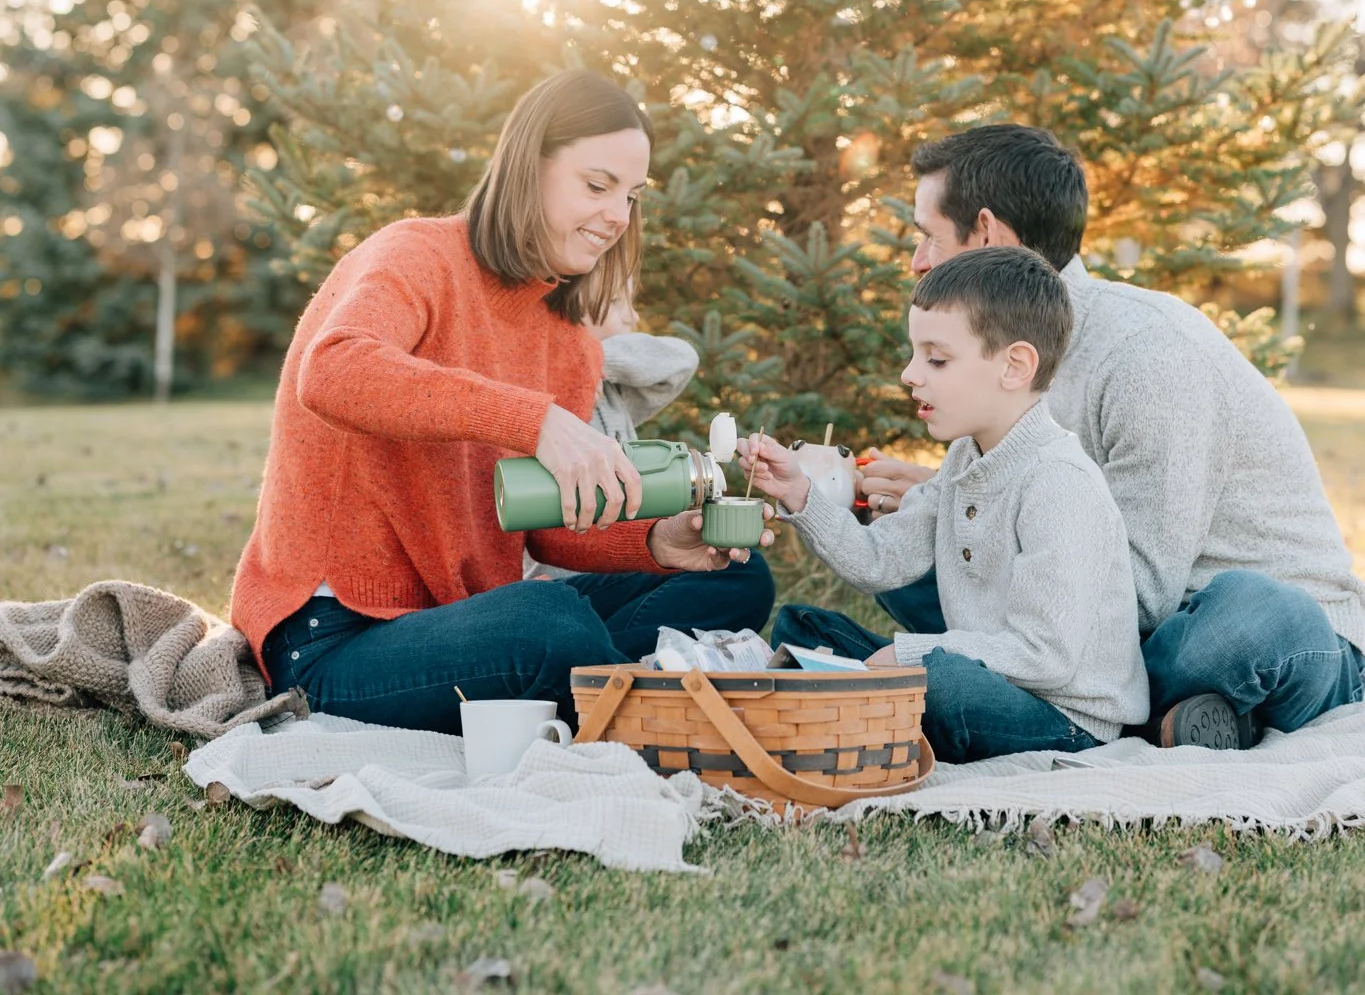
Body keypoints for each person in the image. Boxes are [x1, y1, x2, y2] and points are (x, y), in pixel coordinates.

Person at [229, 70, 773, 729]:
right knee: (548, 620)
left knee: (735, 578)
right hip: (334, 638)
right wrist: (534, 419)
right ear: (526, 167)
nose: (616, 217)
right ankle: (641, 689)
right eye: (597, 186)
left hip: (465, 617)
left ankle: (611, 683)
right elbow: (334, 370)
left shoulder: (569, 340)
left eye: (631, 196)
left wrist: (658, 543)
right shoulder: (416, 255)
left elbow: (545, 524)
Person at [861, 124, 1365, 748]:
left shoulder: (1147, 354)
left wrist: (975, 527)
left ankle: (1116, 711)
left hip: (1211, 620)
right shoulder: (988, 355)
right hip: (1092, 632)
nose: (916, 261)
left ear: (986, 233)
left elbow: (1144, 591)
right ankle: (1178, 719)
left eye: (926, 236)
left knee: (1251, 614)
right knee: (912, 568)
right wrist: (946, 513)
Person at [744, 247, 1147, 763]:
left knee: (945, 683)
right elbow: (879, 561)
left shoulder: (1058, 481)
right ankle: (860, 711)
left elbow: (1047, 658)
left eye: (936, 359)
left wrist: (911, 657)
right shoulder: (964, 458)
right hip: (985, 677)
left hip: (1065, 719)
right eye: (914, 354)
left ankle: (861, 715)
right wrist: (799, 493)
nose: (911, 374)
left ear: (1015, 366)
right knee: (804, 629)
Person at [524, 288, 699, 582]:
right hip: (564, 576)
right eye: (618, 302)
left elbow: (683, 360)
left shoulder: (614, 391)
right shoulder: (541, 393)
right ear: (572, 303)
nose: (634, 315)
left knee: (740, 572)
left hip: (630, 561)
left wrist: (593, 360)